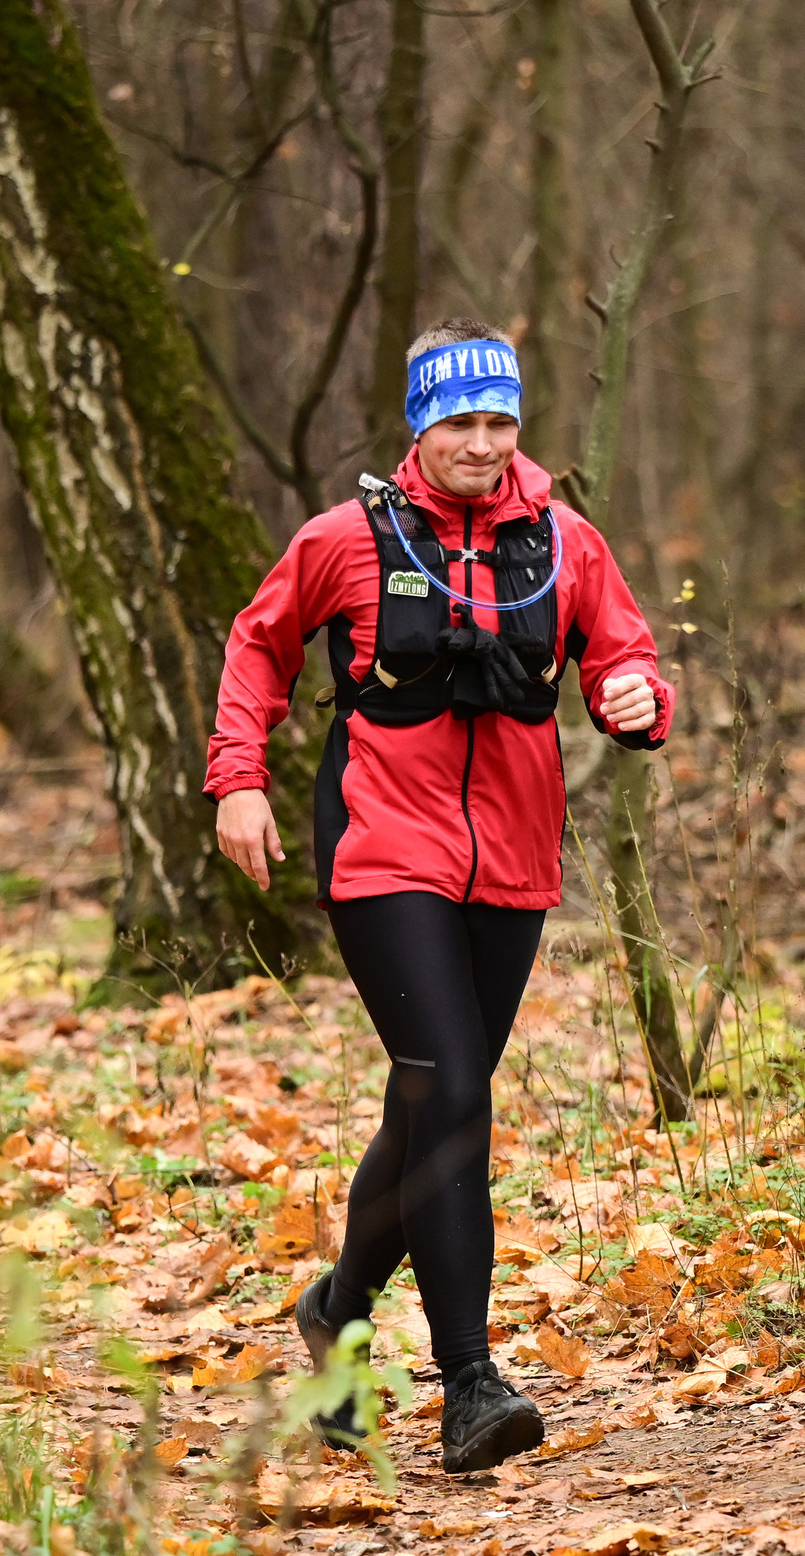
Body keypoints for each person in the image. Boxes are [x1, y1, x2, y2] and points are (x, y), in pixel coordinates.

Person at [205, 318, 672, 1473]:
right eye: (459, 419)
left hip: (512, 858)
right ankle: (470, 1383)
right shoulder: (346, 539)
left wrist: (635, 699)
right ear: (420, 425)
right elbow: (258, 645)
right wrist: (238, 780)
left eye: (499, 420)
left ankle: (337, 1314)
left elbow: (625, 653)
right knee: (453, 1092)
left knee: (427, 1106)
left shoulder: (566, 543)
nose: (481, 441)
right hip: (381, 847)